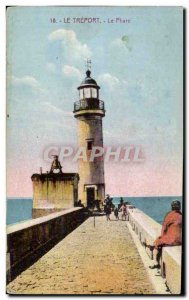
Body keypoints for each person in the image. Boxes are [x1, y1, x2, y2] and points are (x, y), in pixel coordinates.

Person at [145, 200, 182, 269]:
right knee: (160, 240)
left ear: (171, 207)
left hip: (173, 240)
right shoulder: (182, 215)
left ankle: (156, 261)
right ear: (179, 207)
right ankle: (153, 246)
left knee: (159, 240)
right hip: (180, 240)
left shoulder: (169, 215)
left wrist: (163, 237)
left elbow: (164, 229)